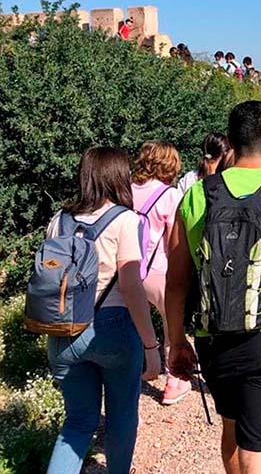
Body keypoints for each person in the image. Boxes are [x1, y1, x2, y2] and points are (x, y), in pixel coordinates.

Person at [166, 101, 261, 474]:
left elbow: (176, 282)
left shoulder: (197, 195)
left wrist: (176, 340)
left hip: (213, 335)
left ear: (231, 142)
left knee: (232, 429)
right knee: (259, 448)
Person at [45, 147, 160, 474]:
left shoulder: (59, 219)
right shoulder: (125, 220)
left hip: (63, 328)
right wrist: (151, 345)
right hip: (112, 328)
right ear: (118, 176)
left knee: (78, 422)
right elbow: (130, 285)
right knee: (122, 418)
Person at [130, 141, 190, 405]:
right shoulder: (169, 195)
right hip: (159, 270)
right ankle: (173, 382)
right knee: (172, 327)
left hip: (129, 270)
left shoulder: (126, 189)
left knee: (136, 322)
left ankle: (148, 366)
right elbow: (173, 242)